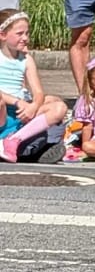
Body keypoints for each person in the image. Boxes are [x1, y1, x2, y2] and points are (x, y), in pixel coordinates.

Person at [0, 9, 69, 163]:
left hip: (19, 115)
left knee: (58, 106)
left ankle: (14, 140)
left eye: (27, 33)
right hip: (3, 112)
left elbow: (38, 92)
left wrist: (34, 106)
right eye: (19, 34)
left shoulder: (26, 60)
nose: (25, 38)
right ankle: (36, 149)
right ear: (3, 35)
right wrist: (18, 102)